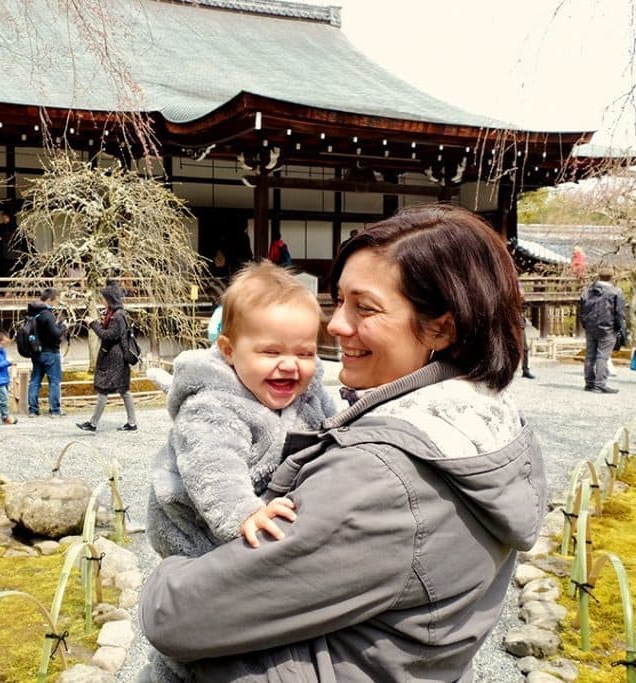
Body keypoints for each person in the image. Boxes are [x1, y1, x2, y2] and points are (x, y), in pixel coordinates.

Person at [140, 204, 547, 682]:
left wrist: (164, 579)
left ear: (441, 326)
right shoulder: (486, 425)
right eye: (339, 301)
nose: (334, 325)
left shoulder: (382, 476)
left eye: (364, 307)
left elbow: (179, 615)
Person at [141, 262, 334, 682]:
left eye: (305, 353)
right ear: (229, 351)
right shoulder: (213, 404)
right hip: (196, 530)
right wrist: (243, 513)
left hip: (256, 519)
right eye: (270, 352)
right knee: (198, 632)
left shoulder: (309, 395)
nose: (290, 366)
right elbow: (212, 468)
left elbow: (332, 433)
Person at [76, 283, 139, 432]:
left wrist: (93, 323)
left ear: (110, 299)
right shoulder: (114, 313)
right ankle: (131, 422)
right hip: (117, 356)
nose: (102, 301)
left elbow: (108, 335)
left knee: (104, 388)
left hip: (114, 357)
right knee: (123, 390)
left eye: (103, 298)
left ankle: (93, 423)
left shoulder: (117, 316)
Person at [579, 268, 627, 394]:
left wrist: (585, 325)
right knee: (602, 356)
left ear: (599, 277)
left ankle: (589, 383)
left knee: (590, 355)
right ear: (612, 277)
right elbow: (619, 312)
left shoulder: (587, 291)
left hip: (590, 327)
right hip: (607, 327)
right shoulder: (615, 291)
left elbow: (581, 310)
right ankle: (600, 384)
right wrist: (619, 329)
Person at [26, 287, 66, 417]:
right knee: (54, 381)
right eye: (55, 301)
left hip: (36, 351)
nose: (56, 304)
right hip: (50, 352)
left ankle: (33, 409)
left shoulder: (33, 313)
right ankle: (55, 409)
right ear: (50, 300)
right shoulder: (47, 315)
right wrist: (63, 327)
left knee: (35, 380)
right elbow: (55, 334)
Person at [0, 210, 17, 278]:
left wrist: (2, 238)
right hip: (2, 254)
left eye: (6, 217)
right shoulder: (0, 226)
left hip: (12, 255)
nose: (4, 219)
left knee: (11, 273)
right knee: (2, 273)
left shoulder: (15, 227)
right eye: (3, 217)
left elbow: (16, 240)